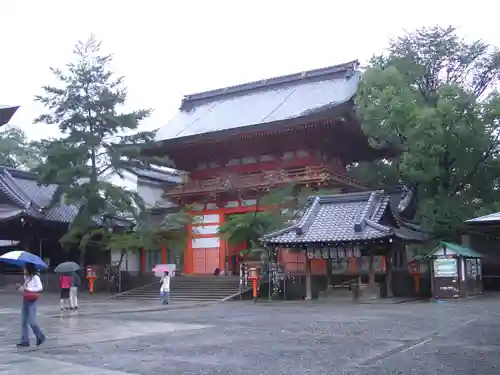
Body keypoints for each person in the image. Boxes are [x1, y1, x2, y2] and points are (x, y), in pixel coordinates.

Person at [16, 262, 45, 347]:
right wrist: (21, 288)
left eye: (25, 268)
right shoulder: (26, 277)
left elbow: (40, 287)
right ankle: (25, 341)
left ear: (29, 269)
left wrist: (28, 288)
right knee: (23, 322)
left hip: (33, 300)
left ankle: (40, 336)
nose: (23, 270)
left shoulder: (35, 277)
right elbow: (26, 288)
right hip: (25, 300)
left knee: (32, 322)